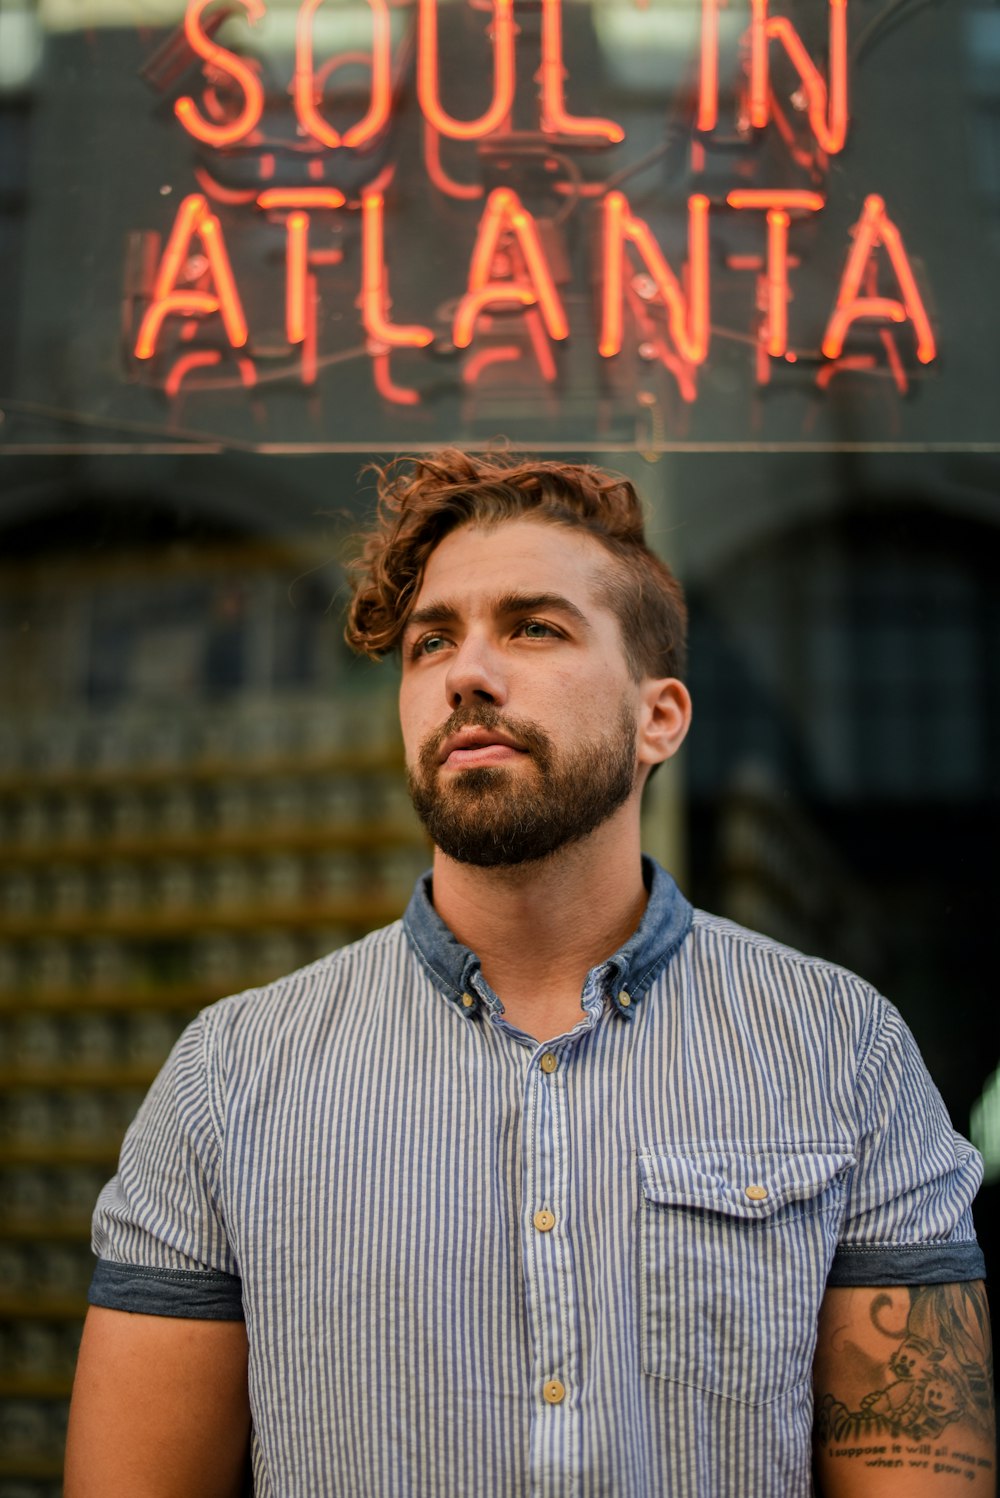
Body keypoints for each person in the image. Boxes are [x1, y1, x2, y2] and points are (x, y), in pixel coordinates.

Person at [65, 450, 995, 1498]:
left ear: (661, 718)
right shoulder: (231, 1077)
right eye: (431, 642)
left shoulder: (839, 1048)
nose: (466, 671)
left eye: (533, 626)